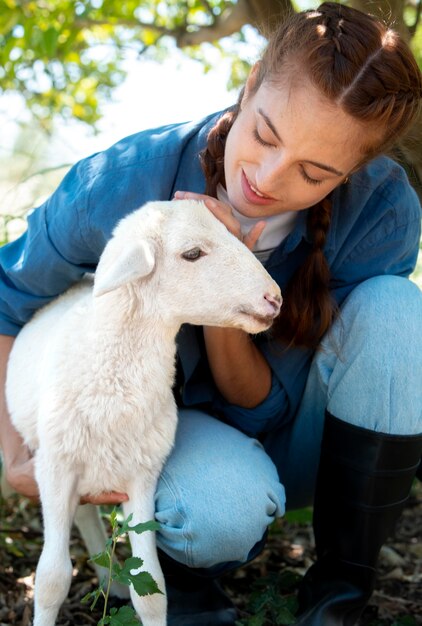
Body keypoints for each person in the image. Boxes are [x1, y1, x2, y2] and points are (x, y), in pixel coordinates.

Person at [1, 2, 421, 624]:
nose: (267, 178)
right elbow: (8, 299)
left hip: (308, 442)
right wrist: (15, 458)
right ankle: (172, 580)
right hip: (174, 447)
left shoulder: (382, 208)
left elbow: (269, 401)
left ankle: (339, 597)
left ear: (355, 171)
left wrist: (226, 291)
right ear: (250, 85)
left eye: (313, 172)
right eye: (266, 135)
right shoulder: (121, 182)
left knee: (396, 308)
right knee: (217, 510)